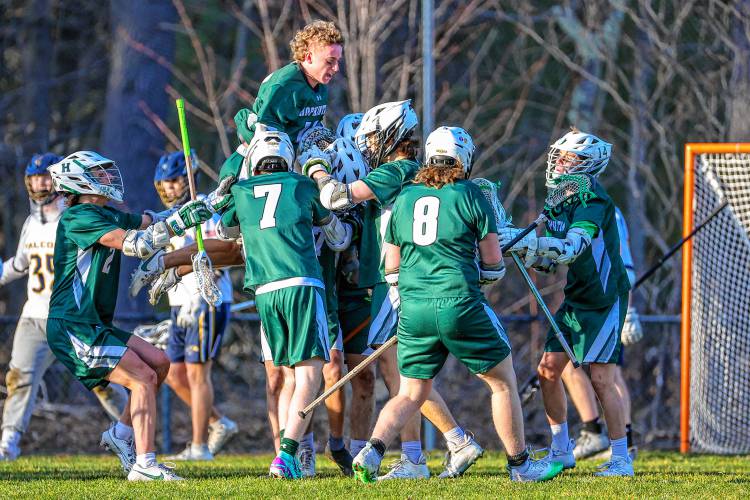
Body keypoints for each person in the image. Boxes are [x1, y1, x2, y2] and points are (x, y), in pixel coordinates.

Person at [351, 126, 564, 483]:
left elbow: (391, 266)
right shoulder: (470, 193)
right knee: (501, 383)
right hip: (459, 302)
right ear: (463, 160)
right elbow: (493, 264)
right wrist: (482, 273)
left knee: (411, 391)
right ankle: (520, 465)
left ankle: (371, 451)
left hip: (414, 309)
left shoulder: (405, 197)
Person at [303, 101, 483, 480]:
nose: (366, 145)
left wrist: (315, 163)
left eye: (371, 137)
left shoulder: (396, 170)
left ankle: (445, 445)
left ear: (391, 136)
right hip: (414, 278)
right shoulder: (415, 171)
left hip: (399, 281)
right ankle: (425, 452)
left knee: (402, 372)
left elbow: (334, 197)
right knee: (403, 372)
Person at [45, 151, 211, 480]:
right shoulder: (78, 217)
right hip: (73, 326)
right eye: (100, 174)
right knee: (142, 379)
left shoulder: (104, 213)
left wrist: (199, 207)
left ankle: (121, 434)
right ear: (79, 182)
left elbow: (149, 220)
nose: (109, 179)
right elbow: (136, 244)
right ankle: (145, 465)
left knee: (160, 363)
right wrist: (180, 221)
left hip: (93, 324)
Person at [217, 129, 353, 479]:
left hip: (264, 291)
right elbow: (338, 239)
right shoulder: (302, 185)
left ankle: (282, 452)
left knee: (289, 377)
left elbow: (225, 232)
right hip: (302, 283)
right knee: (310, 373)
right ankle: (288, 455)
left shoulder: (241, 192)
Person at [506, 129, 634, 477]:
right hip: (578, 296)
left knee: (602, 379)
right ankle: (561, 450)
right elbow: (549, 263)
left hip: (605, 298)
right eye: (559, 156)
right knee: (548, 371)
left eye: (568, 158)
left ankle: (622, 459)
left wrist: (531, 245)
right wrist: (521, 245)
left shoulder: (593, 198)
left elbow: (573, 247)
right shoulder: (560, 198)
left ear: (587, 164)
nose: (559, 163)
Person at [0, 153, 127, 460]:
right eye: (33, 177)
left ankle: (130, 429)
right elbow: (20, 264)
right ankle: (9, 442)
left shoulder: (74, 218)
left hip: (73, 316)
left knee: (104, 382)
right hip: (35, 316)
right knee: (19, 378)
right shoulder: (32, 223)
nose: (39, 183)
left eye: (45, 176)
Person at [149, 151, 238, 461]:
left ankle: (199, 446)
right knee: (173, 373)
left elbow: (221, 254)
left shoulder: (206, 210)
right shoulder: (170, 216)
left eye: (175, 181)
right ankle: (218, 423)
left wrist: (200, 293)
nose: (171, 188)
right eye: (165, 183)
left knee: (199, 373)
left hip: (206, 300)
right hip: (179, 303)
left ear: (188, 178)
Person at [560, 206, 643, 461]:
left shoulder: (600, 206)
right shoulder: (586, 207)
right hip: (593, 294)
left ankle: (616, 439)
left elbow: (620, 258)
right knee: (567, 364)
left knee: (608, 371)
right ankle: (598, 432)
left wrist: (627, 309)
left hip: (606, 295)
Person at [218, 20, 343, 182]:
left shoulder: (320, 86)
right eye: (330, 61)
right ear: (308, 56)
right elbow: (266, 140)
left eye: (338, 61)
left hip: (284, 169)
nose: (336, 68)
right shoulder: (285, 85)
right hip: (253, 169)